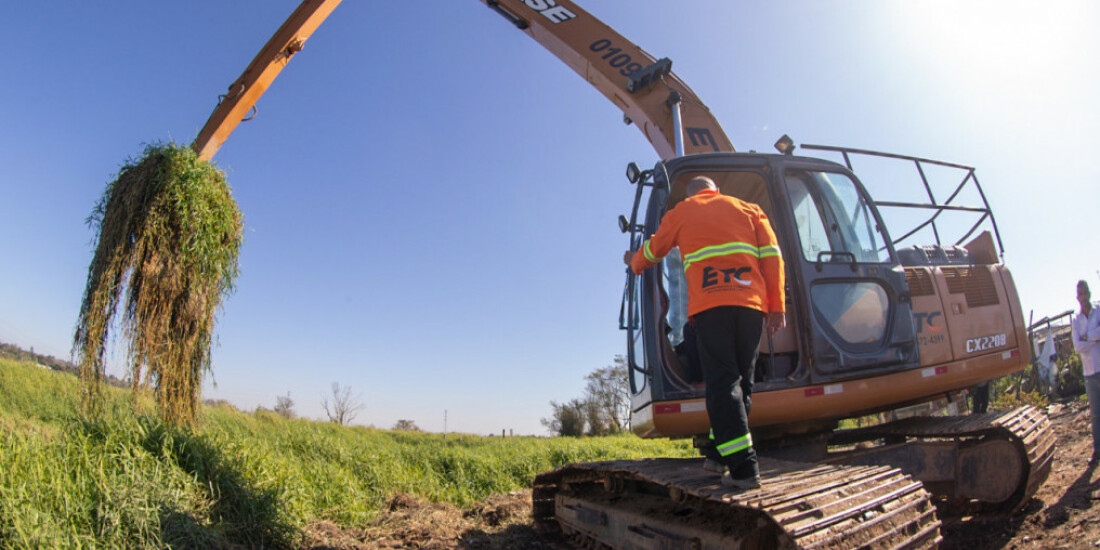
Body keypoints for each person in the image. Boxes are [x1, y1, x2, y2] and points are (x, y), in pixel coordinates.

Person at [624, 176, 784, 490]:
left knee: (722, 384)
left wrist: (633, 262)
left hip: (712, 307)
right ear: (716, 190)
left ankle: (743, 469)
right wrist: (777, 306)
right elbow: (773, 259)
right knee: (741, 384)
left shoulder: (682, 212)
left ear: (691, 194)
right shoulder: (750, 209)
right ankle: (716, 455)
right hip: (751, 307)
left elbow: (653, 252)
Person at [1073, 280, 1100, 465]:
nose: (1083, 297)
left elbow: (1084, 342)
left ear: (1089, 293)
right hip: (1090, 372)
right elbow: (1077, 347)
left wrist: (1087, 337)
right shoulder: (1076, 319)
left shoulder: (1098, 311)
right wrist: (1095, 338)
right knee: (1096, 414)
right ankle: (1098, 449)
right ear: (1077, 297)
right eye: (1080, 294)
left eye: (1085, 293)